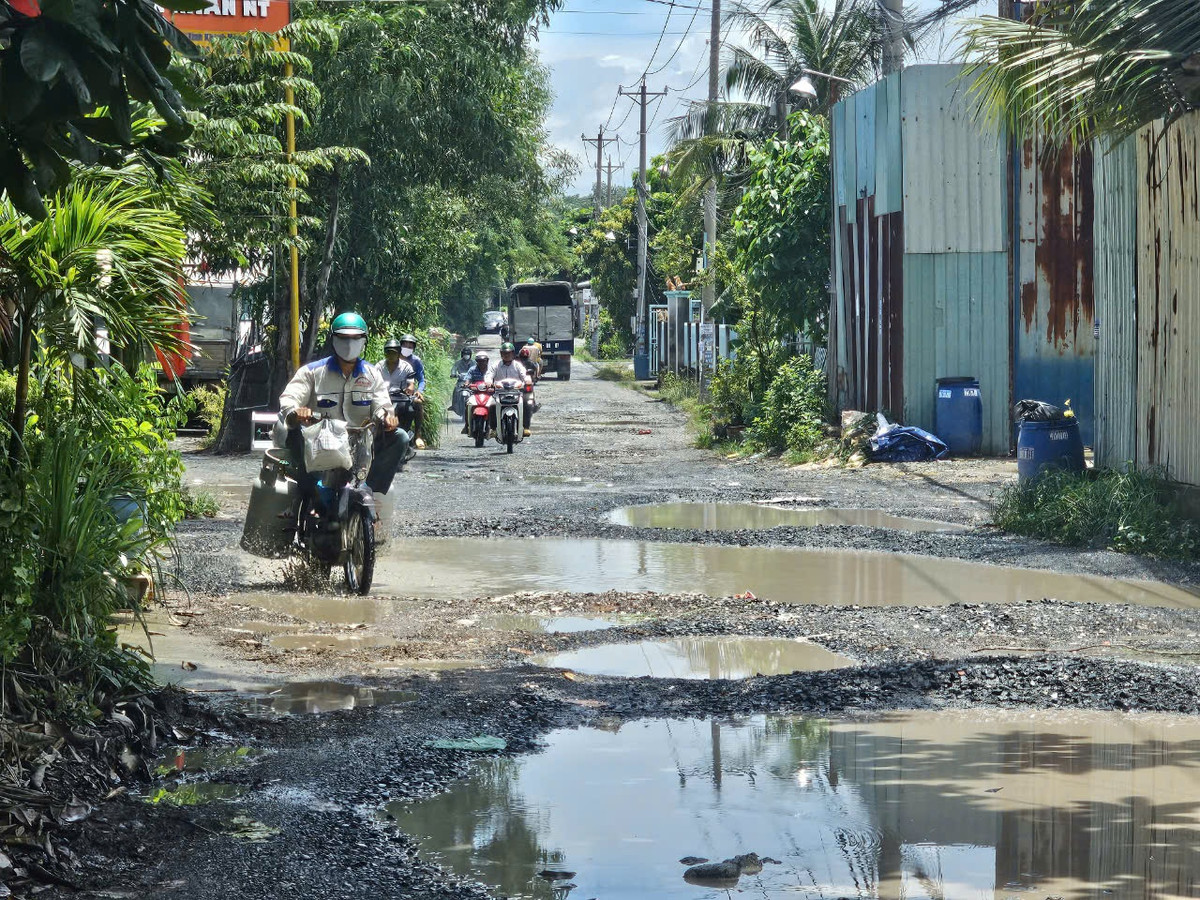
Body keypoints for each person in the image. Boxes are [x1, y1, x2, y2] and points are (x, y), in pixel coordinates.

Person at [278, 312, 408, 503]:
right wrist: (296, 411)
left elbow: (382, 404)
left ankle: (369, 490)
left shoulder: (372, 375)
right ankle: (304, 504)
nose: (349, 344)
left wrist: (386, 417)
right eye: (343, 338)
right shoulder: (312, 372)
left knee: (400, 437)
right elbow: (290, 397)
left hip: (360, 445)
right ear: (333, 339)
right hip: (320, 445)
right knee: (294, 439)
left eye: (356, 338)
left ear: (364, 341)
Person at [486, 342, 534, 437]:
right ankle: (494, 429)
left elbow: (524, 375)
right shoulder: (496, 365)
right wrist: (488, 382)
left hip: (517, 393)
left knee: (527, 404)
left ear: (513, 354)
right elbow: (489, 375)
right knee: (491, 405)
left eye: (509, 353)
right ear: (501, 354)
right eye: (504, 353)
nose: (507, 355)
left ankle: (526, 427)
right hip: (499, 393)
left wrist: (528, 380)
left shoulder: (518, 365)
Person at [397, 333, 428, 450]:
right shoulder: (394, 358)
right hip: (391, 391)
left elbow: (421, 379)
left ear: (413, 348)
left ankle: (418, 435)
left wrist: (419, 391)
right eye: (405, 345)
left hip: (409, 392)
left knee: (418, 403)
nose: (407, 348)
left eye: (410, 346)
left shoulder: (416, 361)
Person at [460, 350, 490, 435]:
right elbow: (467, 378)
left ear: (487, 361)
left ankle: (493, 426)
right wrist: (466, 384)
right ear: (476, 361)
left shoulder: (490, 370)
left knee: (494, 405)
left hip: (489, 394)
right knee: (467, 404)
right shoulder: (472, 369)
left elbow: (495, 378)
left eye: (483, 361)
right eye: (479, 361)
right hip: (475, 393)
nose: (481, 363)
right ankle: (467, 425)